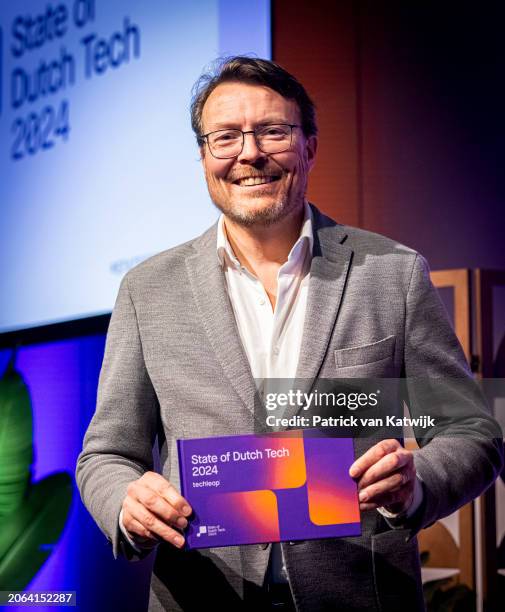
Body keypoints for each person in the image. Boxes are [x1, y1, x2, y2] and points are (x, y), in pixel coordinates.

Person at [76, 57, 503, 611]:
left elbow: (472, 431)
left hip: (361, 595)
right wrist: (125, 503)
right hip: (203, 594)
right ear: (204, 157)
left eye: (273, 131)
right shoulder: (147, 289)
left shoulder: (390, 273)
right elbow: (106, 453)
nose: (249, 153)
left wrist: (414, 484)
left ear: (310, 147)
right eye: (225, 137)